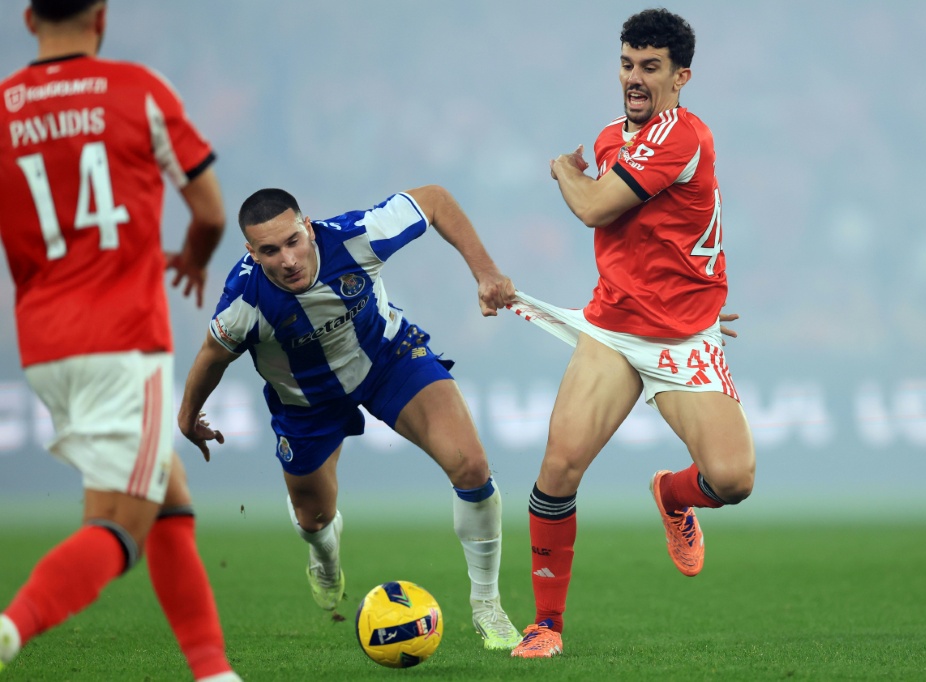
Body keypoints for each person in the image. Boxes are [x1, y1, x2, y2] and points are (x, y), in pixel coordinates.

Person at [0, 2, 240, 679]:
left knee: (169, 493)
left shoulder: (2, 108)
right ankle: (10, 628)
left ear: (26, 19)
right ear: (101, 16)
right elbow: (212, 211)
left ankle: (213, 672)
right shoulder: (139, 91)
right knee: (119, 527)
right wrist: (194, 257)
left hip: (44, 344)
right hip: (122, 340)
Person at [508, 8, 756, 658]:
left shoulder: (683, 135)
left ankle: (673, 495)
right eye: (627, 64)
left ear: (681, 77)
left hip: (685, 342)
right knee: (559, 468)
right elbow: (654, 238)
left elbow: (592, 206)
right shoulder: (611, 140)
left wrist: (563, 170)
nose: (635, 79)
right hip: (615, 331)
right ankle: (546, 626)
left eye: (650, 68)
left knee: (732, 480)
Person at [177, 185, 523, 651]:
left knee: (471, 467)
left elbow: (436, 200)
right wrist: (187, 416)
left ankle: (488, 607)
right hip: (307, 401)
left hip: (388, 361)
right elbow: (210, 358)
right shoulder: (244, 302)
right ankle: (324, 554)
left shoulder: (357, 237)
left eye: (293, 241)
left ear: (309, 227)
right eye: (270, 251)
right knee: (313, 517)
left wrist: (485, 273)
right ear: (251, 253)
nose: (288, 260)